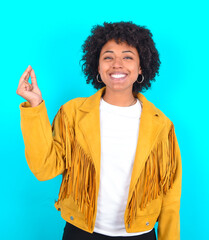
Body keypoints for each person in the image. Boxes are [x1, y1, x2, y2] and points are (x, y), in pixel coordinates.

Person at [16, 21, 182, 240]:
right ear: (97, 66)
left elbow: (170, 197)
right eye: (108, 57)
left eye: (128, 57)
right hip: (81, 233)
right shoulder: (73, 113)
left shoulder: (161, 125)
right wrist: (35, 107)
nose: (117, 64)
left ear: (141, 67)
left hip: (141, 235)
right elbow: (44, 168)